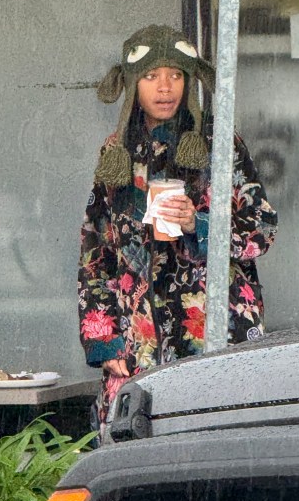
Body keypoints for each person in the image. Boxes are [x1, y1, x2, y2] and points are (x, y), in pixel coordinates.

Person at [78, 25, 277, 441]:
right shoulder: (117, 153)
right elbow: (95, 252)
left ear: (189, 82)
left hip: (215, 329)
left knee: (219, 448)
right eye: (151, 76)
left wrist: (198, 224)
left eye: (175, 75)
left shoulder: (221, 143)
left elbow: (262, 228)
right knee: (134, 454)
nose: (165, 88)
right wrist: (106, 341)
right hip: (139, 339)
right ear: (134, 84)